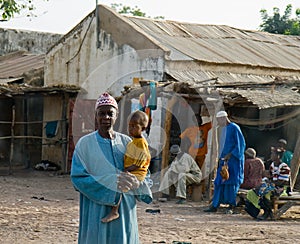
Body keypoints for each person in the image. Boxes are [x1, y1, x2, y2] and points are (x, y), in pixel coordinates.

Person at [70, 92, 152, 243]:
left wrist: (136, 182)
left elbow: (144, 171)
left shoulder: (129, 142)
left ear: (117, 115)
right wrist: (110, 181)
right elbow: (77, 178)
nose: (106, 117)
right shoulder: (85, 144)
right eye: (102, 113)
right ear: (96, 115)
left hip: (125, 210)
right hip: (96, 210)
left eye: (110, 113)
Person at [101, 110, 151, 223]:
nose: (131, 129)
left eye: (134, 126)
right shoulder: (132, 141)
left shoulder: (141, 143)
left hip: (137, 172)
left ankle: (115, 211)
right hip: (132, 170)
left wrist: (126, 169)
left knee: (120, 185)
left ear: (142, 129)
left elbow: (140, 162)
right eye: (129, 126)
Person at [204, 110, 246, 213]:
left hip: (234, 161)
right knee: (219, 182)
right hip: (224, 161)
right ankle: (215, 205)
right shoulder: (223, 129)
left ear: (224, 118)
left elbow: (241, 145)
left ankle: (231, 206)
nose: (218, 123)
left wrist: (231, 154)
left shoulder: (235, 128)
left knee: (231, 183)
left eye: (219, 120)